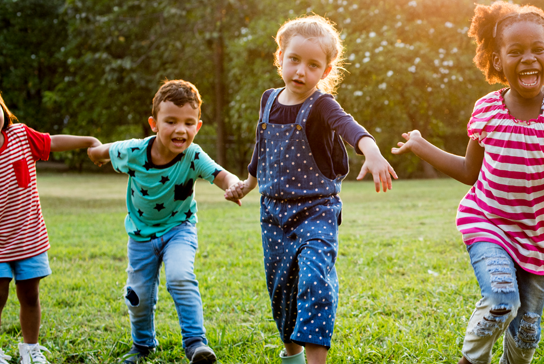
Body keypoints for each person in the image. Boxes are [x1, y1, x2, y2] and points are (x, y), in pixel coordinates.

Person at [390, 2, 544, 363]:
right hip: (488, 222)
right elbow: (468, 171)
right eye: (516, 51)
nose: (528, 59)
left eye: (538, 50)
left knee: (526, 334)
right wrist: (421, 145)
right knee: (500, 301)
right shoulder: (487, 111)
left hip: (539, 234)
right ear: (497, 60)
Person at [222, 14, 397, 364]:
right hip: (272, 214)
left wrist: (372, 152)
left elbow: (349, 127)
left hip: (316, 211)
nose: (301, 71)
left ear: (326, 71)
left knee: (315, 282)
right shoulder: (268, 100)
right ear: (280, 58)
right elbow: (262, 147)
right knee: (281, 291)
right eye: (294, 60)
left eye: (313, 64)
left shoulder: (322, 105)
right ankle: (293, 356)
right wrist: (248, 184)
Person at [87, 80, 241, 364]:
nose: (180, 129)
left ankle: (196, 344)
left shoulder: (193, 155)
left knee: (181, 276)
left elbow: (221, 174)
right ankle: (142, 345)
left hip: (179, 229)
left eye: (188, 122)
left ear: (198, 126)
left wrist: (234, 186)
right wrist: (95, 153)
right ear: (154, 124)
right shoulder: (133, 151)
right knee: (139, 295)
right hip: (141, 236)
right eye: (170, 121)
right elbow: (103, 151)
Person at [0, 93, 100, 364]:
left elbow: (52, 141)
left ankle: (30, 349)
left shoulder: (21, 136)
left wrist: (89, 141)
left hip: (28, 237)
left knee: (30, 295)